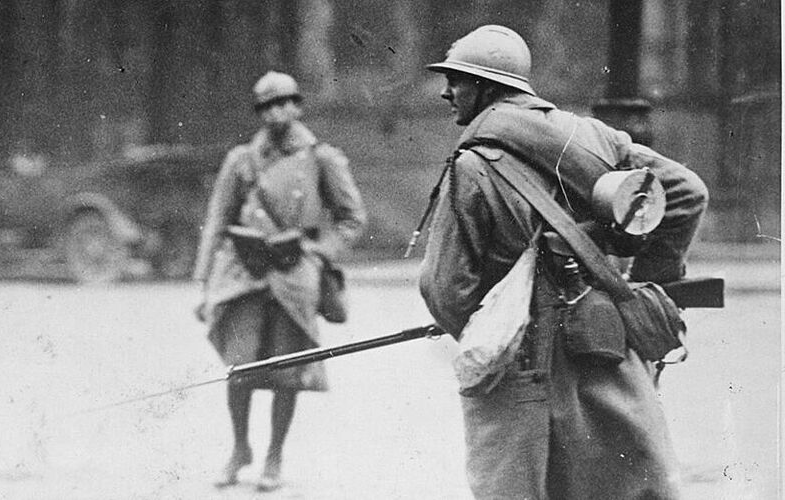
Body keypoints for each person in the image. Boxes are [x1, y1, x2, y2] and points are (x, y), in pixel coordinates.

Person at [416, 25, 707, 498]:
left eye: (458, 79)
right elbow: (687, 194)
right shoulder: (596, 137)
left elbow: (444, 289)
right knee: (622, 482)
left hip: (522, 364)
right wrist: (645, 288)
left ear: (489, 87)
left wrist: (494, 326)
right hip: (606, 340)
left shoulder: (472, 165)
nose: (447, 91)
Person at [192, 71, 367, 492]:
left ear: (298, 106)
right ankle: (239, 449)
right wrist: (203, 283)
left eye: (283, 103)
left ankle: (273, 456)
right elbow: (218, 220)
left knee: (287, 372)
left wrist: (319, 252)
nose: (275, 112)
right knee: (240, 367)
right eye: (266, 106)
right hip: (245, 270)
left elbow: (351, 219)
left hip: (294, 273)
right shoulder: (242, 160)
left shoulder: (321, 158)